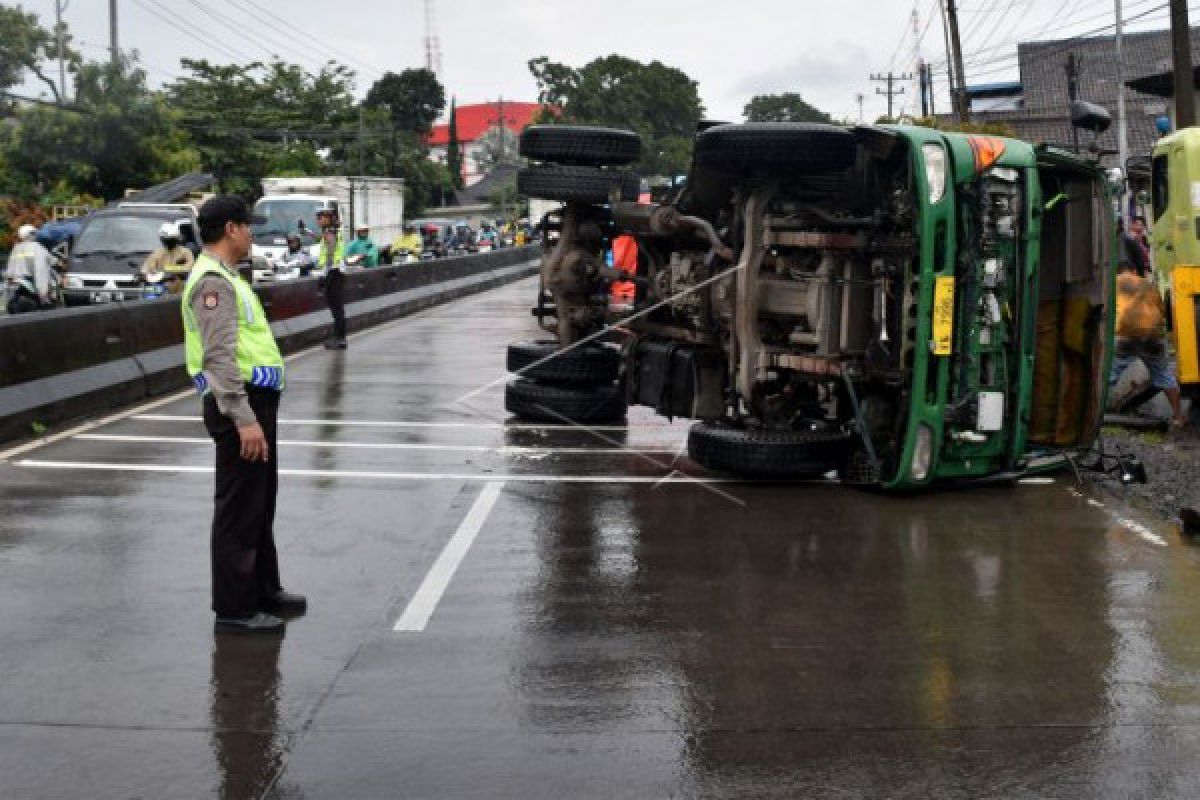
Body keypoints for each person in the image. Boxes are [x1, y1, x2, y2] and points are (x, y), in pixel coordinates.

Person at [181, 195, 306, 634]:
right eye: (248, 225)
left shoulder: (230, 277)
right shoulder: (213, 283)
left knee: (260, 502)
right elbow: (218, 358)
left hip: (256, 399)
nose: (252, 233)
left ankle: (263, 590)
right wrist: (244, 417)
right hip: (239, 404)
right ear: (231, 229)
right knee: (239, 509)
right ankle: (235, 607)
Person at [1110, 260, 1186, 428]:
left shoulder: (1114, 283)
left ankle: (1095, 416)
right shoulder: (1148, 284)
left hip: (1127, 335)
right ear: (1133, 270)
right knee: (1164, 376)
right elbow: (1162, 310)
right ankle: (1179, 417)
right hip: (1153, 335)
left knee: (1110, 375)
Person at [5, 223, 56, 311]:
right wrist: (43, 292)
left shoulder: (16, 248)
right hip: (31, 281)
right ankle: (45, 301)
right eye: (34, 233)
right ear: (32, 234)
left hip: (17, 280)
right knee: (46, 300)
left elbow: (10, 267)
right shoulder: (37, 247)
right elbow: (41, 269)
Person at [316, 224, 347, 349]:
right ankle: (339, 338)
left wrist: (323, 277)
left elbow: (329, 261)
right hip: (333, 273)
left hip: (334, 273)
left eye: (326, 233)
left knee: (336, 307)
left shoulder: (332, 241)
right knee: (336, 308)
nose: (325, 236)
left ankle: (340, 338)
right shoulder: (329, 240)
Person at [141, 222, 195, 294]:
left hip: (181, 291)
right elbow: (146, 269)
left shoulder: (185, 252)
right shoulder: (157, 253)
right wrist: (147, 274)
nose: (169, 242)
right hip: (162, 291)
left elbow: (190, 267)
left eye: (172, 239)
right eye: (167, 240)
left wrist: (169, 269)